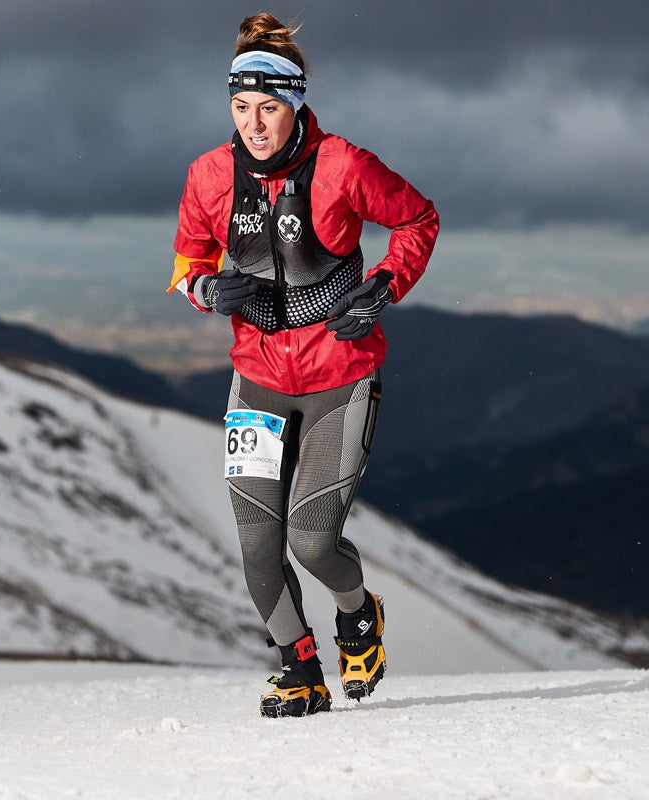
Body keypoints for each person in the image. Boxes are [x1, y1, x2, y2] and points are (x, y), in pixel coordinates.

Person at [167, 13, 439, 717]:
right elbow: (187, 260)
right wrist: (203, 288)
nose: (255, 124)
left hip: (339, 378)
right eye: (241, 108)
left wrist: (381, 289)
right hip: (255, 380)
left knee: (314, 541)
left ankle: (358, 615)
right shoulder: (207, 176)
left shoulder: (344, 165)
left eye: (269, 107)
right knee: (259, 551)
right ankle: (299, 670)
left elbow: (417, 220)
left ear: (296, 103)